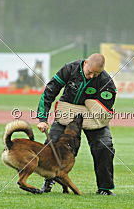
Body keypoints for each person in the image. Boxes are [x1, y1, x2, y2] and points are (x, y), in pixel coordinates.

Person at [36, 53, 117, 196]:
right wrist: (43, 118)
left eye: (96, 74)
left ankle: (104, 188)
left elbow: (105, 109)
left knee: (104, 145)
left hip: (92, 118)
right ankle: (49, 181)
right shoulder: (69, 69)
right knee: (51, 144)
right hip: (67, 113)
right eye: (90, 72)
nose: (92, 76)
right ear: (85, 63)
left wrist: (88, 108)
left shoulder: (106, 81)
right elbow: (50, 91)